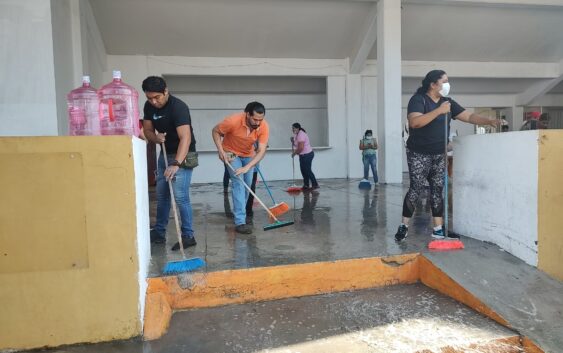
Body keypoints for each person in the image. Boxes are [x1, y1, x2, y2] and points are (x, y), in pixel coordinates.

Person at [394, 70, 498, 242]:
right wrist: (439, 111)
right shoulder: (419, 100)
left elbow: (468, 116)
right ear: (433, 84)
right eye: (445, 81)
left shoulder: (448, 102)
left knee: (437, 190)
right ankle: (404, 225)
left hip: (439, 153)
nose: (448, 85)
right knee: (416, 189)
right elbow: (415, 122)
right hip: (418, 153)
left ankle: (438, 229)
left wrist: (489, 121)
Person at [142, 76, 197, 250]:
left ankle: (188, 236)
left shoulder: (178, 107)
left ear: (166, 91)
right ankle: (159, 232)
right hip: (164, 153)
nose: (153, 101)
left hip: (183, 154)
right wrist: (155, 137)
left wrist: (176, 164)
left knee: (180, 197)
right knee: (162, 195)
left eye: (157, 97)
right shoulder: (149, 106)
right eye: (149, 98)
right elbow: (148, 130)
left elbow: (185, 138)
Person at [212, 102, 270, 234]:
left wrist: (248, 167)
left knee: (247, 186)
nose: (258, 123)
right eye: (255, 119)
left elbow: (261, 151)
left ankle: (240, 212)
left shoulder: (264, 126)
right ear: (247, 114)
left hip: (248, 155)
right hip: (231, 154)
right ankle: (240, 221)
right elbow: (215, 131)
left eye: (260, 120)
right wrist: (221, 150)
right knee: (239, 183)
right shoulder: (233, 121)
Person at [291, 123, 319, 190]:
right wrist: (292, 141)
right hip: (303, 155)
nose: (292, 130)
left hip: (307, 155)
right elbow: (296, 145)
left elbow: (301, 148)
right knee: (303, 170)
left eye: (293, 128)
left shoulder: (301, 134)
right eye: (292, 128)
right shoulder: (297, 135)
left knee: (307, 170)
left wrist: (294, 153)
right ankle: (306, 185)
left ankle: (315, 184)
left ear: (297, 128)